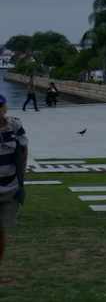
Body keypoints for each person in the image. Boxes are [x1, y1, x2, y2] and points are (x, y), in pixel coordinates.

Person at [0, 94, 28, 284]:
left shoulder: (14, 126)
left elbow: (24, 147)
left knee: (0, 230)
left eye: (0, 106)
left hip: (10, 188)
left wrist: (21, 174)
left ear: (5, 108)